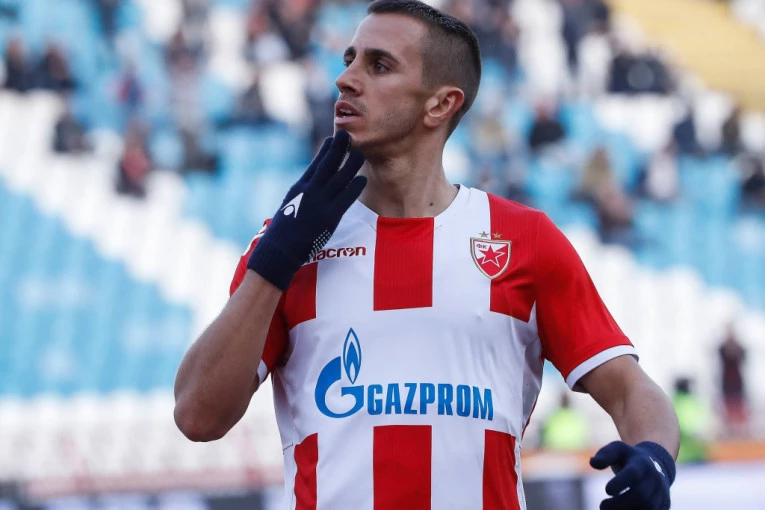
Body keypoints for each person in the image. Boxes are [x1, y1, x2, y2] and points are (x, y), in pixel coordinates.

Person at [174, 2, 679, 509]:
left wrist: (655, 459)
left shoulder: (524, 240)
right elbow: (197, 416)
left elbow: (629, 389)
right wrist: (274, 261)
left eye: (379, 65)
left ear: (440, 105)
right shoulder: (286, 245)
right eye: (349, 60)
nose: (345, 79)